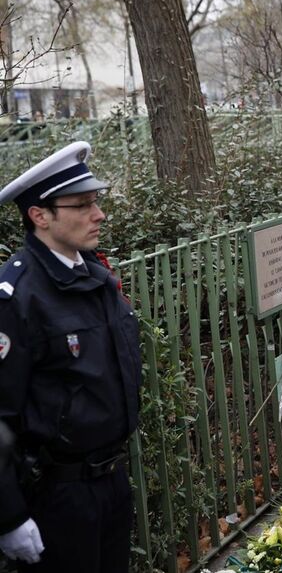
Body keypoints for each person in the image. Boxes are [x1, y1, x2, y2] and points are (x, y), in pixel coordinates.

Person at [0, 142, 142, 572]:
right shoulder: (17, 296)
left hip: (111, 480)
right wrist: (9, 515)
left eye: (96, 202)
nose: (98, 214)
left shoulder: (93, 275)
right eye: (81, 205)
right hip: (57, 495)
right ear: (40, 216)